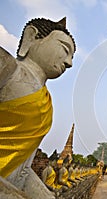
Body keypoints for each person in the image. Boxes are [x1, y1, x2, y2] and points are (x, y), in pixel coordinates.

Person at [0, 17, 75, 198]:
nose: (69, 63)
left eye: (71, 57)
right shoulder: (9, 68)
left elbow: (21, 170)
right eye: (65, 50)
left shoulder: (46, 100)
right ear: (31, 37)